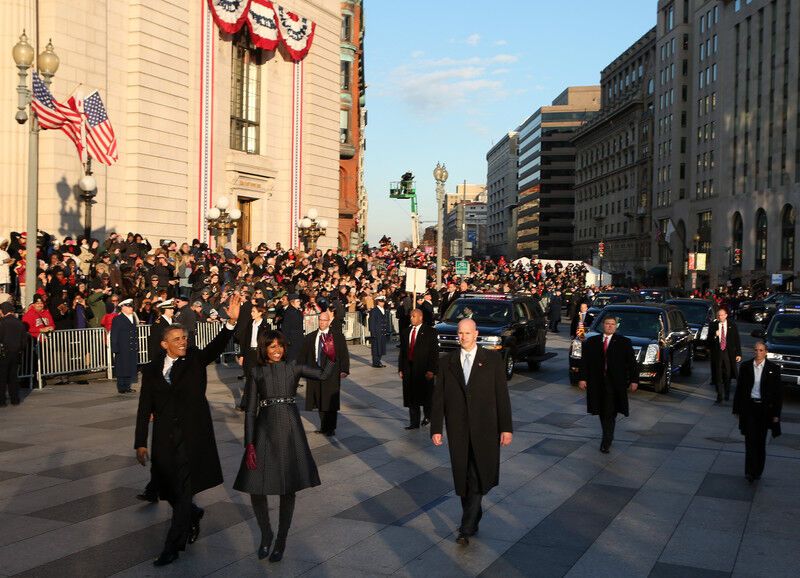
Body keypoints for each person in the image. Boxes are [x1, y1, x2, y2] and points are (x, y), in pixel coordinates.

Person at [133, 294, 241, 567]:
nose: (184, 342)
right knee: (170, 490)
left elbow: (215, 347)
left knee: (183, 490)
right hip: (164, 439)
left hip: (192, 437)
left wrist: (230, 322)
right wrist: (140, 442)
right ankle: (193, 514)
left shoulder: (194, 358)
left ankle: (172, 545)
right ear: (164, 344)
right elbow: (145, 407)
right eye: (178, 339)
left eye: (185, 338)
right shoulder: (152, 369)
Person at [233, 330, 334, 562]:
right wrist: (249, 443)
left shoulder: (294, 367)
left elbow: (323, 375)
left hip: (290, 430)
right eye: (272, 346)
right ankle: (266, 534)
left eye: (280, 345)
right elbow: (250, 410)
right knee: (255, 486)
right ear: (263, 349)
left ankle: (281, 540)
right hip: (264, 430)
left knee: (288, 486)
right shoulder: (257, 372)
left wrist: (330, 354)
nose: (277, 350)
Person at [431, 319, 513, 546]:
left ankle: (465, 527)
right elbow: (438, 398)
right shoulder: (447, 362)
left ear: (476, 334)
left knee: (478, 476)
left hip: (486, 429)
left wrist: (506, 427)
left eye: (468, 333)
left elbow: (502, 396)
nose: (464, 337)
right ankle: (473, 515)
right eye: (461, 333)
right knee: (464, 478)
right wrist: (436, 428)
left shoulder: (493, 360)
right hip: (458, 429)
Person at [577, 316, 638, 453]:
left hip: (615, 383)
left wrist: (634, 380)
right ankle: (608, 435)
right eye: (607, 324)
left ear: (616, 326)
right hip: (597, 382)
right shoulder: (592, 341)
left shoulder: (624, 342)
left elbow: (632, 364)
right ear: (603, 325)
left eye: (612, 324)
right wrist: (582, 378)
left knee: (610, 411)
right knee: (601, 410)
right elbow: (584, 361)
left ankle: (606, 440)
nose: (610, 326)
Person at [733, 341, 783, 483]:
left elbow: (778, 394)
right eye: (756, 350)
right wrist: (737, 409)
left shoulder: (773, 369)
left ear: (766, 352)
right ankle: (749, 471)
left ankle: (757, 470)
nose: (758, 353)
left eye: (761, 350)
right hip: (750, 408)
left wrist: (776, 415)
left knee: (760, 442)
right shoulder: (746, 367)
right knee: (750, 441)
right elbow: (740, 389)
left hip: (764, 410)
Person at [300, 311, 350, 436]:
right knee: (319, 399)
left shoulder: (337, 336)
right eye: (320, 320)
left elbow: (344, 354)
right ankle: (323, 426)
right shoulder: (311, 337)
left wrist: (344, 369)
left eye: (324, 320)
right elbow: (303, 355)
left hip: (331, 372)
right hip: (315, 372)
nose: (322, 323)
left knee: (330, 401)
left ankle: (331, 427)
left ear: (329, 321)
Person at [398, 309, 439, 430]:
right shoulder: (406, 332)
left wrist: (432, 370)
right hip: (409, 368)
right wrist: (401, 368)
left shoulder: (430, 332)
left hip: (424, 369)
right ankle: (414, 422)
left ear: (420, 317)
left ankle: (428, 416)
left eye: (414, 316)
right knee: (411, 396)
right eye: (411, 316)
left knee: (426, 395)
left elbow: (434, 353)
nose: (411, 318)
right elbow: (403, 352)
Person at [235, 299, 270, 411]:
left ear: (260, 313)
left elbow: (267, 343)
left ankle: (263, 402)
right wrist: (242, 355)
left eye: (254, 311)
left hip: (259, 355)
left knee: (260, 380)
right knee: (249, 379)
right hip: (249, 353)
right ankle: (246, 404)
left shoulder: (265, 326)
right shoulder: (250, 324)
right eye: (251, 311)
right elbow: (245, 340)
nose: (251, 313)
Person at [708, 307, 741, 403]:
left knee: (728, 374)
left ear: (726, 315)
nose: (720, 317)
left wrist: (738, 354)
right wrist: (715, 335)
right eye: (718, 315)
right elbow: (708, 341)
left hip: (728, 353)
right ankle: (719, 396)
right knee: (718, 374)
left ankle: (727, 393)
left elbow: (736, 340)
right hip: (718, 353)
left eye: (722, 315)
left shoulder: (732, 325)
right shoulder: (713, 325)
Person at [0, 302, 27, 406]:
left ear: (3, 311)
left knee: (2, 378)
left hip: (3, 353)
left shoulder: (2, 323)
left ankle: (1, 401)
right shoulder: (19, 323)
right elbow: (24, 341)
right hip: (16, 353)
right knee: (13, 377)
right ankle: (15, 399)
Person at [111, 299, 139, 394]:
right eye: (129, 306)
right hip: (122, 347)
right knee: (122, 367)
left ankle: (127, 386)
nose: (131, 308)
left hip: (131, 346)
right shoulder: (118, 319)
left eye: (131, 306)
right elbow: (114, 335)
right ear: (123, 307)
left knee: (130, 366)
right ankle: (121, 387)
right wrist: (115, 348)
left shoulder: (133, 317)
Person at [281, 294, 304, 363]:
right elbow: (285, 328)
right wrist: (287, 341)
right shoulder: (288, 312)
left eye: (299, 301)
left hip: (298, 339)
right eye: (297, 301)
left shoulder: (298, 312)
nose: (299, 302)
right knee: (292, 360)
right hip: (292, 341)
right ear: (292, 302)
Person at [368, 294, 390, 367]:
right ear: (377, 302)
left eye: (383, 302)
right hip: (377, 332)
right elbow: (372, 322)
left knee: (381, 348)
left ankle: (379, 361)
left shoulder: (384, 310)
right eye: (380, 301)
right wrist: (373, 332)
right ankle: (376, 363)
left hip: (382, 332)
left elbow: (386, 321)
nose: (382, 303)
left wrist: (387, 330)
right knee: (376, 348)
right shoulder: (374, 310)